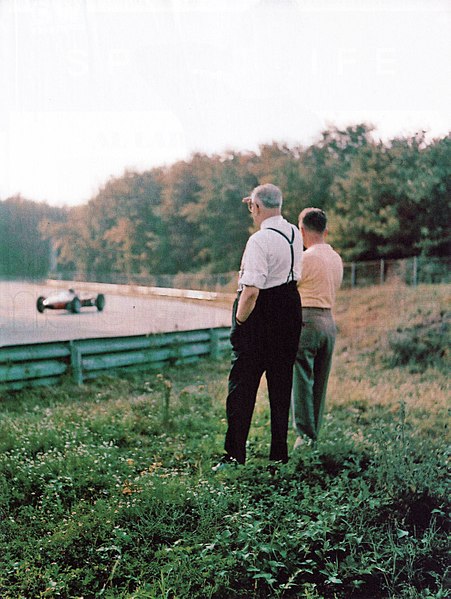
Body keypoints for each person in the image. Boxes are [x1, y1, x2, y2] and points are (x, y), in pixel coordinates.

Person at [213, 183, 303, 470]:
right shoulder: (294, 233)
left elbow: (251, 290)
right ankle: (279, 455)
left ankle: (234, 456)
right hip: (289, 308)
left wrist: (239, 322)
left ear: (257, 207)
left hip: (262, 314)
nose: (250, 212)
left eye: (250, 206)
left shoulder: (259, 240)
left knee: (242, 386)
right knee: (280, 385)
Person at [291, 207, 343, 449]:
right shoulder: (336, 258)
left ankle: (305, 434)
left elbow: (290, 288)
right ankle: (314, 433)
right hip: (329, 320)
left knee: (301, 377)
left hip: (307, 318)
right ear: (326, 230)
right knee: (320, 379)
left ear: (302, 230)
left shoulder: (306, 258)